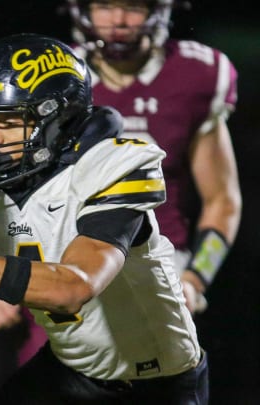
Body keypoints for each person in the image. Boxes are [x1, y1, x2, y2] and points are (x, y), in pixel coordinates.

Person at [0, 33, 208, 403]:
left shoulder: (110, 167)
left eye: (8, 121)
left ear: (58, 119)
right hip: (71, 368)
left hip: (155, 385)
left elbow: (72, 289)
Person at [66, 0, 241, 315]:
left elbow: (223, 201)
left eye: (133, 6)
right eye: (104, 5)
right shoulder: (58, 75)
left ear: (157, 11)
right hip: (65, 261)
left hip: (160, 264)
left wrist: (196, 278)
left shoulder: (196, 74)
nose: (118, 19)